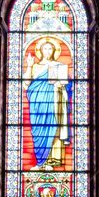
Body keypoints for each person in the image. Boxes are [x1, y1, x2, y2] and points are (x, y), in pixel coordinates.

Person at [24, 37, 71, 169]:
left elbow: (67, 85)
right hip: (37, 103)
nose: (48, 51)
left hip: (53, 101)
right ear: (40, 50)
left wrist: (61, 85)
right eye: (45, 48)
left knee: (53, 126)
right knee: (38, 130)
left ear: (54, 51)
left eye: (50, 48)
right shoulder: (35, 66)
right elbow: (26, 83)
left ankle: (51, 161)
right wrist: (29, 65)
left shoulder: (58, 66)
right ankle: (40, 162)